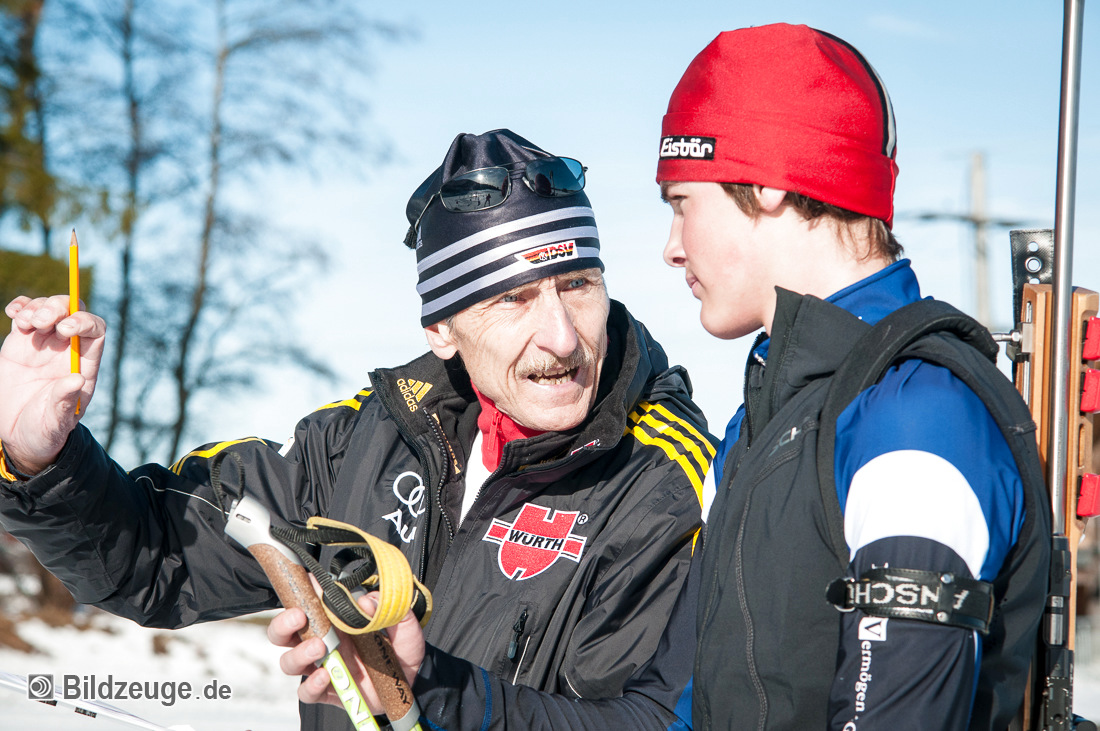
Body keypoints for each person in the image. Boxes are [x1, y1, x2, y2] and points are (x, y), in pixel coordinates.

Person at [313, 24, 1050, 730]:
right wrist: (434, 683)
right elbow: (663, 718)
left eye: (682, 202)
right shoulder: (769, 423)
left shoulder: (913, 419)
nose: (670, 247)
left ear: (766, 187)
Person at [0, 129, 713, 731]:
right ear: (442, 327)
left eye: (578, 283)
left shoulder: (670, 485)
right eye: (514, 298)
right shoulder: (363, 440)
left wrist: (430, 686)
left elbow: (651, 718)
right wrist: (41, 459)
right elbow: (156, 556)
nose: (561, 336)